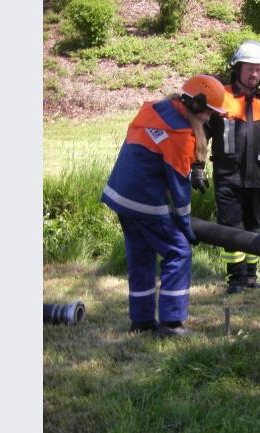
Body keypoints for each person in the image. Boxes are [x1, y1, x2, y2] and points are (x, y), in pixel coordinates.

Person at [100, 75, 227, 337]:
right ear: (195, 104)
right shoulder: (179, 134)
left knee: (141, 256)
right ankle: (171, 323)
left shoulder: (152, 111)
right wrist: (185, 225)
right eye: (209, 112)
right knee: (178, 252)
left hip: (120, 196)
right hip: (144, 201)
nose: (209, 118)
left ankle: (142, 321)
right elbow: (180, 190)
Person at [204, 40, 260, 294]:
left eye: (258, 69)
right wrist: (197, 166)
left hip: (258, 175)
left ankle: (251, 277)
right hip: (227, 175)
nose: (254, 74)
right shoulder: (220, 98)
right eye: (249, 68)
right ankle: (236, 280)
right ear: (238, 68)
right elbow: (201, 133)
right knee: (231, 227)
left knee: (254, 225)